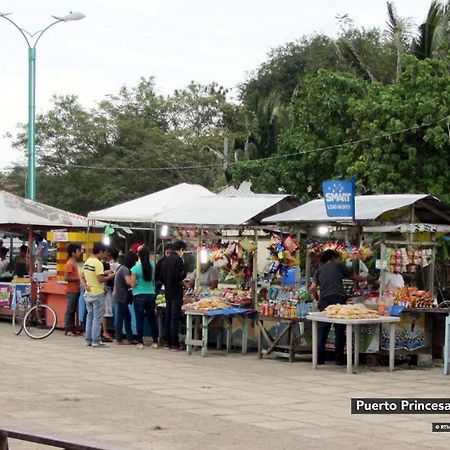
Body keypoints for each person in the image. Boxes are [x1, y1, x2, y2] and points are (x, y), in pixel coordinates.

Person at [310, 250, 374, 365]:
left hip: (325, 301)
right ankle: (339, 359)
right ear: (333, 258)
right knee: (340, 330)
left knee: (323, 330)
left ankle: (319, 359)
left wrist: (317, 298)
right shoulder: (339, 266)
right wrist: (368, 278)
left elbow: (312, 287)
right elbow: (356, 278)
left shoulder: (319, 270)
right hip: (338, 299)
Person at [82, 242, 114, 348]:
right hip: (97, 293)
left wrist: (85, 285)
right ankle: (96, 340)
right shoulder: (98, 263)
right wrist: (111, 276)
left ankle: (88, 339)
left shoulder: (87, 261)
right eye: (105, 253)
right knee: (97, 318)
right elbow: (100, 279)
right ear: (100, 251)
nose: (105, 255)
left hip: (88, 294)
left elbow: (83, 275)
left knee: (89, 317)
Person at [158, 240, 186, 351]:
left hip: (167, 291)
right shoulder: (178, 260)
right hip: (176, 291)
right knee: (175, 317)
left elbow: (159, 277)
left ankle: (168, 342)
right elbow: (179, 275)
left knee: (168, 316)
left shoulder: (164, 260)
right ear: (181, 249)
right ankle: (175, 343)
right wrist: (183, 275)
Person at [131, 245, 159, 349]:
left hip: (138, 295)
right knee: (152, 319)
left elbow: (132, 285)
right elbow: (153, 279)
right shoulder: (153, 265)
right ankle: (155, 341)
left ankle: (140, 342)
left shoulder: (135, 268)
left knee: (139, 319)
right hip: (151, 294)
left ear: (139, 255)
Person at [113, 251, 138, 345]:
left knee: (127, 317)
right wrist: (136, 280)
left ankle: (129, 337)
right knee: (121, 317)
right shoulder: (125, 270)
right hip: (121, 296)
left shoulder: (121, 268)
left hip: (119, 295)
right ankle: (119, 338)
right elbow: (129, 282)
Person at [64, 243, 82, 336]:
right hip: (71, 290)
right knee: (70, 310)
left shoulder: (75, 262)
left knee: (74, 310)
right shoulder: (70, 263)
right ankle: (68, 329)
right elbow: (66, 278)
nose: (80, 253)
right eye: (78, 251)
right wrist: (78, 279)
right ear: (73, 252)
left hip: (76, 290)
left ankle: (73, 328)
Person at [101, 248, 119, 342]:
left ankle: (103, 332)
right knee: (106, 312)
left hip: (105, 290)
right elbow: (100, 277)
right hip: (105, 291)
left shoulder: (103, 264)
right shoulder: (103, 264)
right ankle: (104, 332)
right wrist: (109, 276)